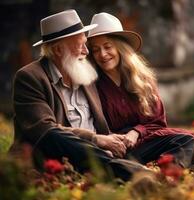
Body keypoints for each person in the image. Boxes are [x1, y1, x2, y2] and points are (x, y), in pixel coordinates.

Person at [10, 9, 147, 181]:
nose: (86, 51)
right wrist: (96, 139)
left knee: (179, 140)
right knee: (54, 135)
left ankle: (141, 169)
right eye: (80, 45)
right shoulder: (30, 77)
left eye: (85, 44)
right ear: (59, 50)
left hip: (101, 152)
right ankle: (133, 173)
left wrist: (125, 135)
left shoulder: (84, 72)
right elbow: (46, 132)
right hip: (60, 158)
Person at [87, 12, 194, 168]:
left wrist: (136, 132)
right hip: (115, 150)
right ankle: (164, 172)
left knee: (190, 140)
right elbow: (92, 125)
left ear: (120, 48)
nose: (102, 54)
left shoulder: (142, 79)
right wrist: (116, 139)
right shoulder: (91, 84)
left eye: (107, 46)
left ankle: (169, 172)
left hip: (147, 142)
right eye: (96, 50)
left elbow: (158, 122)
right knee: (187, 143)